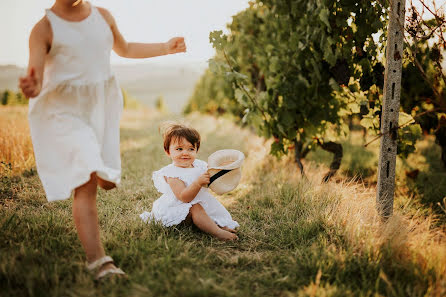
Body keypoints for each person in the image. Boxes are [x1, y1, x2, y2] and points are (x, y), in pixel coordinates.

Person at [18, 0, 186, 280]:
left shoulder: (103, 17)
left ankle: (102, 170)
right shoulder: (44, 29)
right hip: (64, 112)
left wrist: (165, 47)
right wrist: (30, 85)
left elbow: (126, 48)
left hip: (100, 107)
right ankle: (99, 262)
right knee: (86, 179)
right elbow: (34, 77)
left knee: (96, 169)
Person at [140, 123, 239, 241]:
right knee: (195, 207)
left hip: (200, 203)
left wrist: (222, 171)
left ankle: (218, 225)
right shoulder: (172, 174)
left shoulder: (199, 165)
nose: (185, 153)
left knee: (206, 207)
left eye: (191, 149)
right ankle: (217, 232)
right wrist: (197, 183)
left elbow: (212, 176)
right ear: (168, 151)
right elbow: (184, 198)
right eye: (179, 149)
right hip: (178, 210)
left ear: (197, 150)